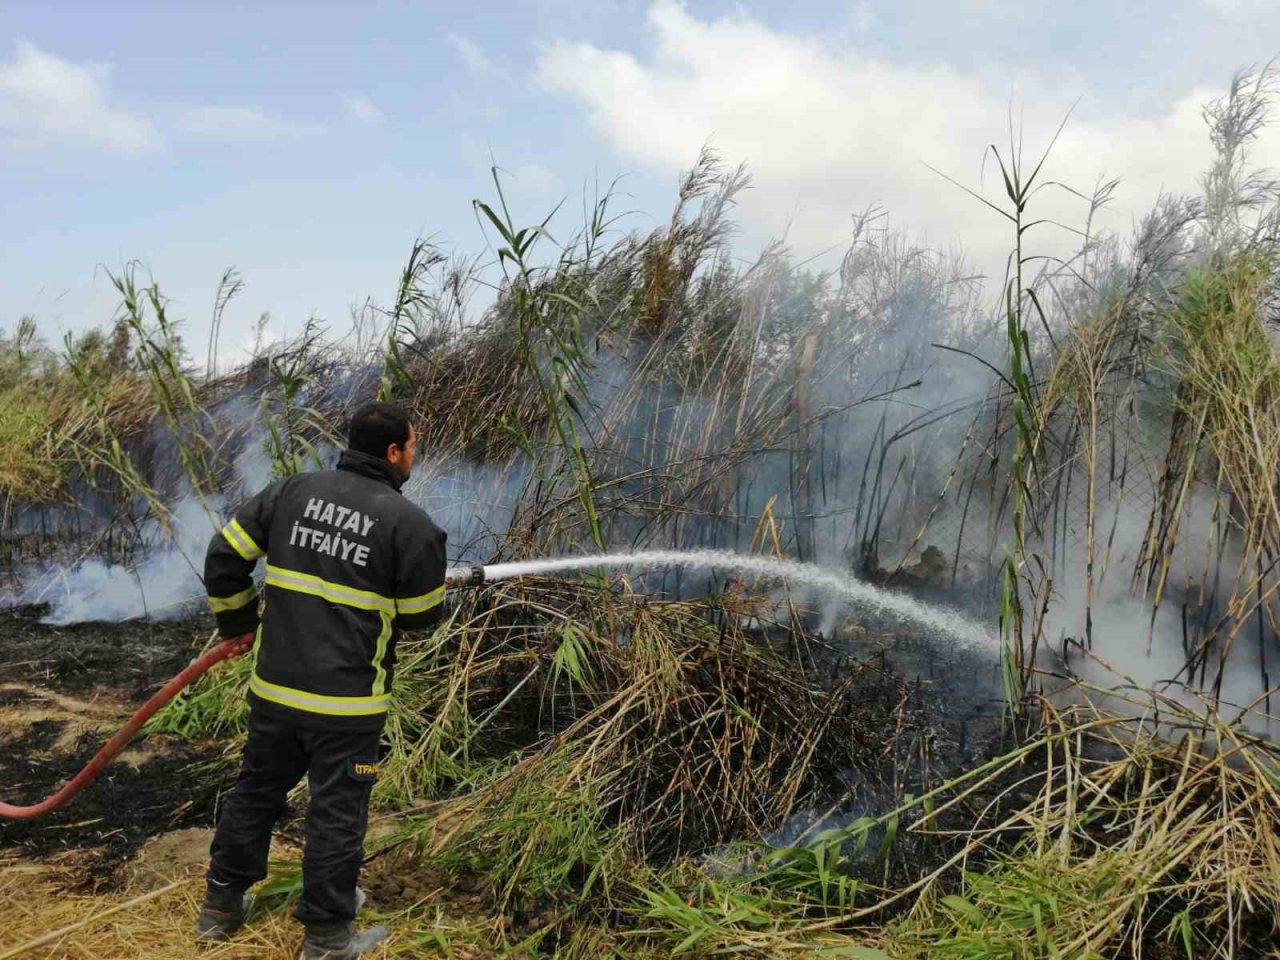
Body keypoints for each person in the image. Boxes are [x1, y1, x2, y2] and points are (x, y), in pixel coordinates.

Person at [195, 401, 447, 959]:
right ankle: (328, 938)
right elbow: (422, 617)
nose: (415, 454)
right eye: (413, 445)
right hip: (347, 708)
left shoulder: (291, 492)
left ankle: (219, 909)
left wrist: (237, 624)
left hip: (275, 693)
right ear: (393, 452)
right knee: (336, 815)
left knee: (255, 793)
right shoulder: (410, 525)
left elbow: (224, 556)